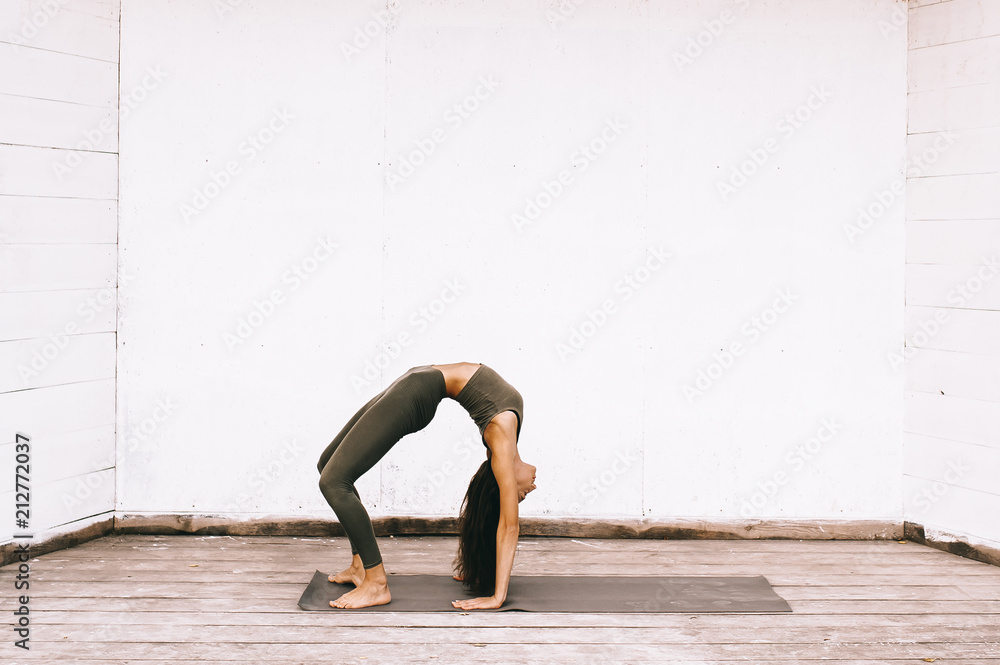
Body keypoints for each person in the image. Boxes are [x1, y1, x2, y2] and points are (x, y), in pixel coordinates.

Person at [316, 362, 537, 609]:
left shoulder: (501, 442)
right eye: (522, 496)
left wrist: (498, 597)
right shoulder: (508, 435)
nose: (528, 491)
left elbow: (508, 526)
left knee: (333, 482)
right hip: (417, 378)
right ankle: (359, 566)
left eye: (518, 497)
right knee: (326, 464)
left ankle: (376, 583)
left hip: (418, 390)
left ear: (502, 478)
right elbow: (504, 518)